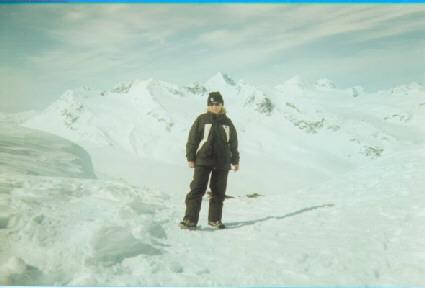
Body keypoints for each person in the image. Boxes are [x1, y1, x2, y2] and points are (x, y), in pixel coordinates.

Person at [179, 91, 240, 230]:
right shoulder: (202, 119)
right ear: (208, 105)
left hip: (222, 162)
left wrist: (235, 161)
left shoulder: (228, 123)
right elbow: (193, 139)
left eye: (217, 104)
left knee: (218, 192)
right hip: (203, 160)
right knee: (197, 189)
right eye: (211, 104)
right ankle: (190, 220)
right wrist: (190, 157)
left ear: (221, 105)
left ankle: (215, 220)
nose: (215, 106)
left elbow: (233, 143)